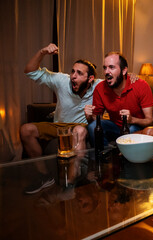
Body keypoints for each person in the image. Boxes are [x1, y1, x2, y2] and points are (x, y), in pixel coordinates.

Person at [20, 43, 100, 194]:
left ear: (90, 79)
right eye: (72, 71)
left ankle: (69, 184)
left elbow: (119, 80)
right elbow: (29, 71)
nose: (73, 76)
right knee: (26, 130)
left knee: (79, 131)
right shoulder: (61, 80)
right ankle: (44, 177)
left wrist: (132, 77)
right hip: (58, 125)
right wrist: (42, 52)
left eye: (79, 73)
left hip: (79, 126)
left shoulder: (99, 85)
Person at [85, 52, 153, 146]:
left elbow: (150, 120)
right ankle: (104, 158)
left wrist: (132, 120)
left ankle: (127, 159)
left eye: (111, 67)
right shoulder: (100, 88)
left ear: (124, 70)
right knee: (93, 127)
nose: (106, 72)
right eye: (105, 68)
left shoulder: (141, 86)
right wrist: (89, 116)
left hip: (136, 127)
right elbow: (97, 121)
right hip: (115, 127)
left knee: (132, 130)